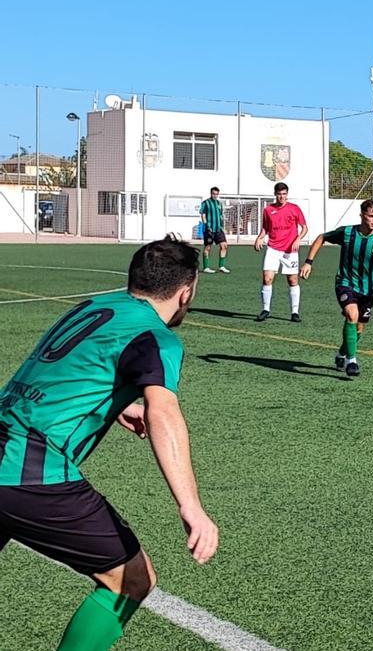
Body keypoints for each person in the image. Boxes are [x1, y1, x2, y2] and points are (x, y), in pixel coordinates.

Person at [0, 236, 219, 650]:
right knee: (131, 581)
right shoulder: (157, 336)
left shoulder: (93, 307)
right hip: (31, 471)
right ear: (186, 291)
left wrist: (113, 403)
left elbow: (68, 370)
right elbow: (163, 412)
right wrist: (191, 506)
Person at [300, 200, 373, 377]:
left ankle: (342, 353)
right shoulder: (347, 233)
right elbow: (322, 237)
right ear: (361, 215)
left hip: (368, 291)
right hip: (345, 283)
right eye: (371, 216)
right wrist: (308, 262)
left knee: (359, 328)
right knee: (351, 315)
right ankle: (351, 361)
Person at [253, 182, 307, 322]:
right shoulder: (268, 210)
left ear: (287, 194)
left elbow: (304, 228)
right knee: (267, 278)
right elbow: (266, 228)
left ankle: (295, 312)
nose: (282, 197)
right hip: (273, 248)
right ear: (275, 194)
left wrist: (298, 239)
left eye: (284, 194)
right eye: (279, 194)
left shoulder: (294, 209)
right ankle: (266, 309)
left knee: (292, 280)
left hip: (290, 250)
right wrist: (260, 237)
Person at [199, 186, 229, 274]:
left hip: (218, 229)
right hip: (209, 229)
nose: (215, 195)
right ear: (211, 193)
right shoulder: (206, 203)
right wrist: (206, 225)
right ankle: (206, 267)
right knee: (208, 247)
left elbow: (220, 216)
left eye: (216, 194)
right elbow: (203, 214)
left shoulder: (219, 204)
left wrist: (222, 226)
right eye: (213, 194)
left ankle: (221, 266)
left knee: (224, 246)